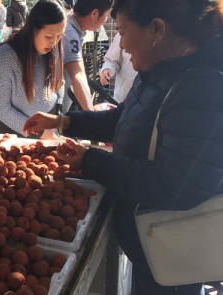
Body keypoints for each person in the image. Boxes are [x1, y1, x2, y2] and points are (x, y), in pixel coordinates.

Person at [23, 0, 223, 293]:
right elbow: (123, 119)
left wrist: (90, 160)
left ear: (157, 30)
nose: (121, 45)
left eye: (125, 32)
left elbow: (176, 185)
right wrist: (62, 122)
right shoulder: (160, 70)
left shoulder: (204, 89)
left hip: (174, 252)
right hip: (149, 244)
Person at [0, 0, 66, 139]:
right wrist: (41, 132)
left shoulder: (53, 49)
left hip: (48, 130)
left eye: (59, 36)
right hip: (15, 136)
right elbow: (0, 108)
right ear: (33, 28)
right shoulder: (6, 55)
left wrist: (59, 112)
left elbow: (60, 82)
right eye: (49, 36)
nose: (54, 42)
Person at [61, 0, 112, 112]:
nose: (106, 19)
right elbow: (77, 74)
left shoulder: (71, 27)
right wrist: (91, 113)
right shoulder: (70, 33)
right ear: (94, 14)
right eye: (107, 14)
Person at [99, 32, 136, 103]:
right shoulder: (123, 32)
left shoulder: (158, 35)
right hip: (122, 98)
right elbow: (111, 60)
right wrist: (107, 69)